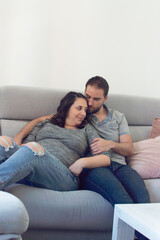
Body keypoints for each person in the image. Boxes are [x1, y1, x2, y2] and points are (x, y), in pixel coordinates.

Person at [13, 77, 150, 240]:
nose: (89, 103)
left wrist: (110, 144)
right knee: (121, 198)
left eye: (96, 99)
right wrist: (19, 137)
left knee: (143, 200)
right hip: (95, 168)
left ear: (105, 99)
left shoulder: (116, 117)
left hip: (117, 165)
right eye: (87, 97)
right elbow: (40, 121)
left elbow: (129, 149)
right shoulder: (80, 115)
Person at [0, 91, 111, 191]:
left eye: (85, 110)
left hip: (63, 175)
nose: (83, 113)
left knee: (33, 148)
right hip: (35, 165)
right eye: (79, 108)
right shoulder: (47, 123)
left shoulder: (86, 129)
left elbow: (106, 158)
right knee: (4, 141)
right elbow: (25, 147)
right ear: (67, 108)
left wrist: (82, 162)